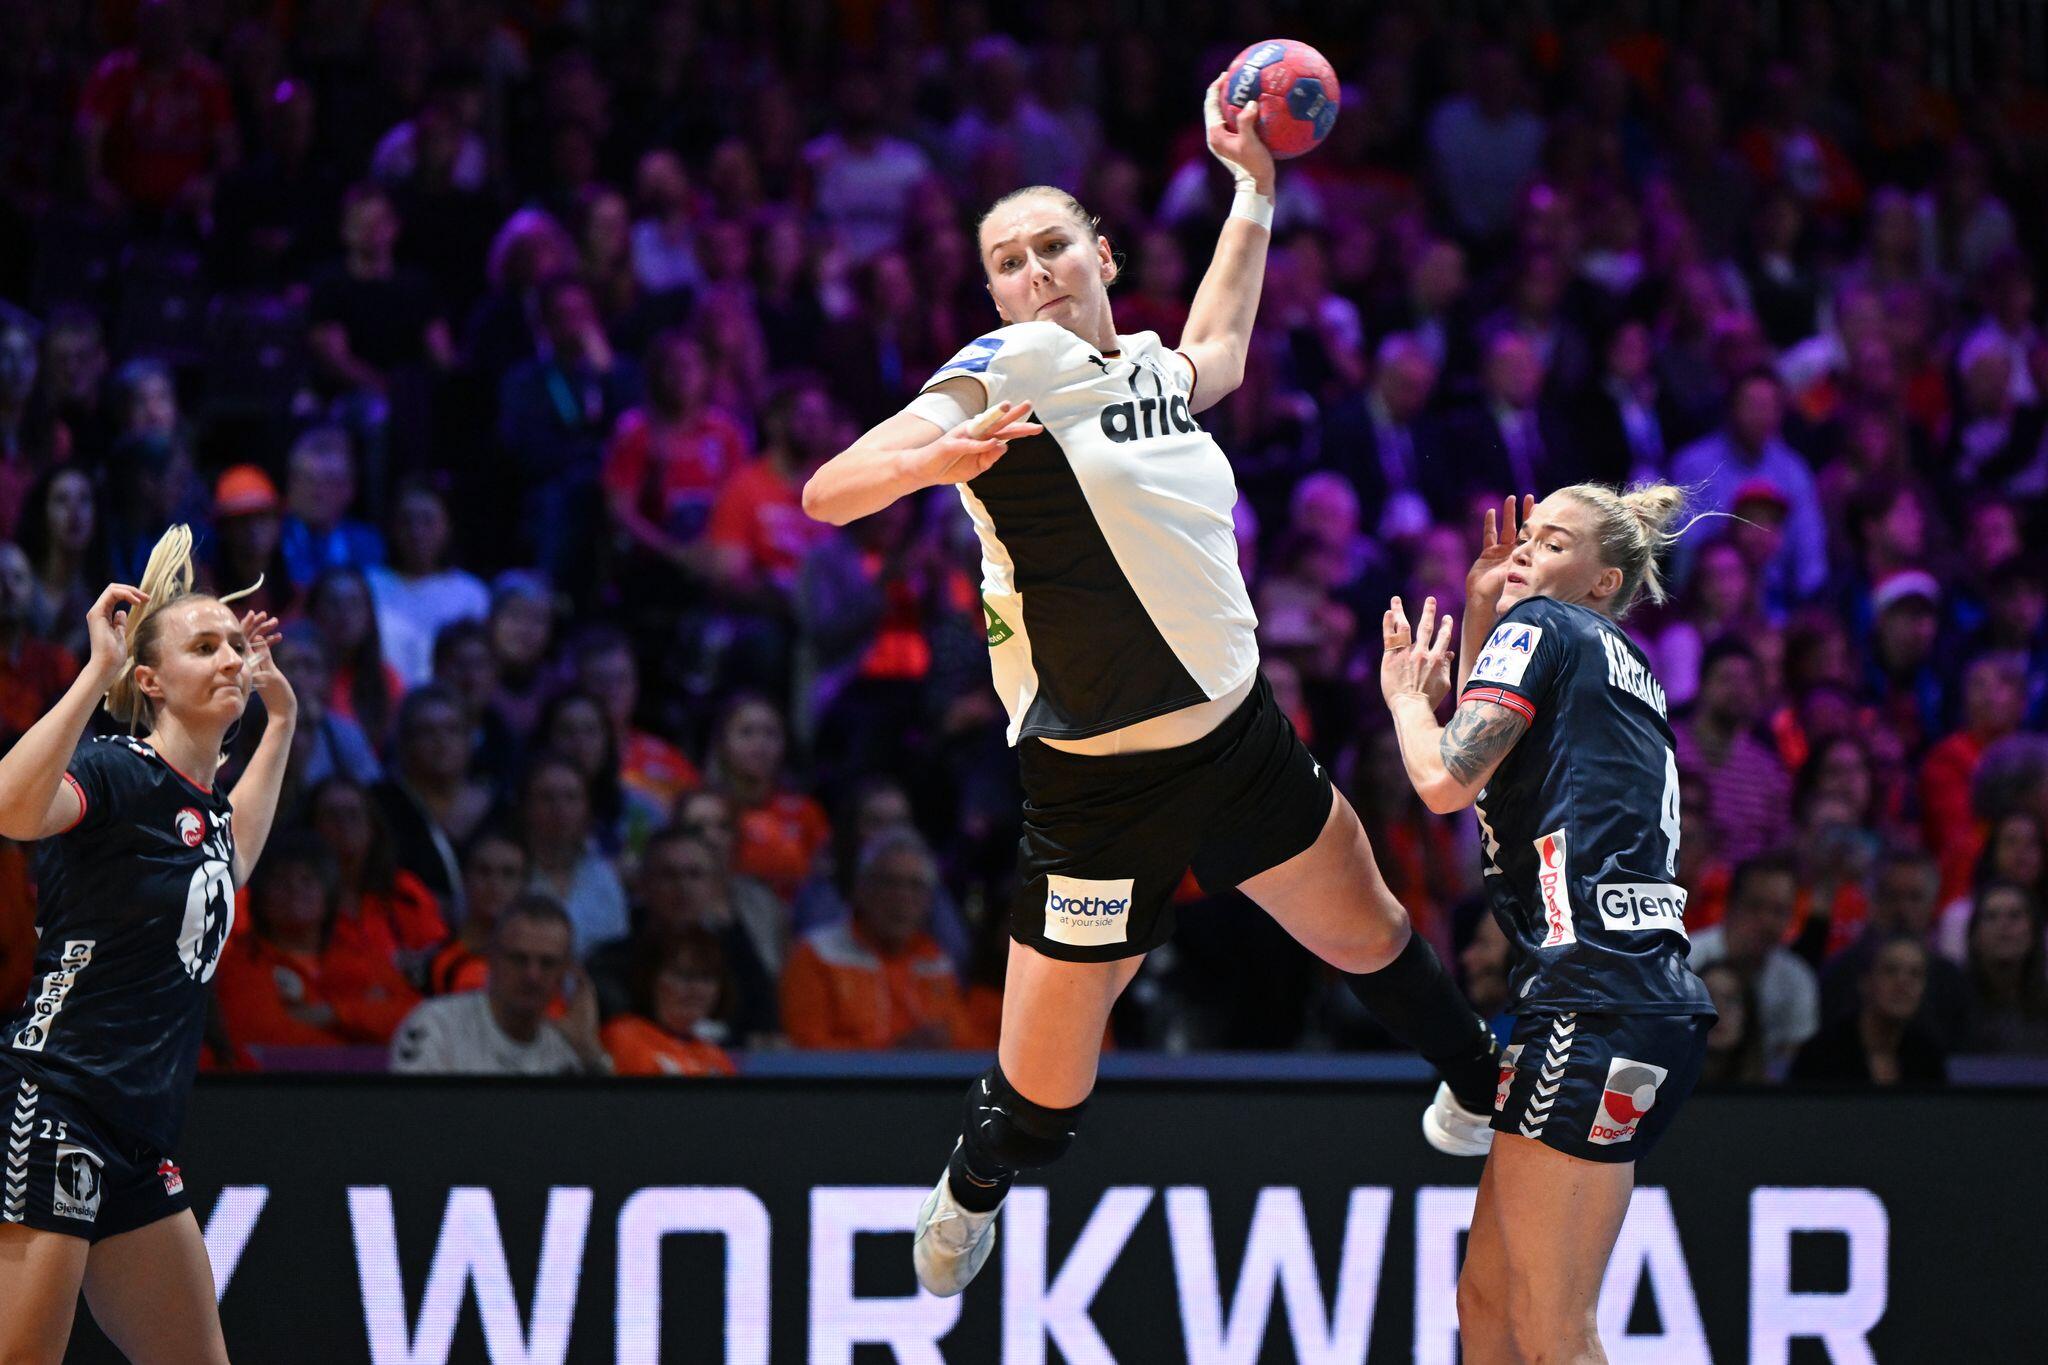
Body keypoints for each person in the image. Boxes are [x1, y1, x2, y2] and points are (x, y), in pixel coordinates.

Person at [803, 80, 1500, 1299]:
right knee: (1042, 1099)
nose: (1034, 272)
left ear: (1101, 255)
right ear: (994, 297)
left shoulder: (1143, 371)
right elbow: (828, 492)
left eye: (1052, 246)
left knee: (1377, 937)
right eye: (1007, 261)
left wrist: (1253, 193)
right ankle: (973, 1183)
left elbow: (1216, 348)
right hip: (1094, 794)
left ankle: (1479, 1086)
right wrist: (933, 458)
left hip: (1237, 745)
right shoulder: (1012, 362)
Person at [1376, 485, 1716, 1364]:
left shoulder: (1546, 629)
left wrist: (1409, 699)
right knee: (1487, 1303)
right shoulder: (1616, 659)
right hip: (1615, 995)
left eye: (1553, 543)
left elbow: (1448, 780)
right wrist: (1482, 605)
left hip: (1592, 997)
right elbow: (1500, 759)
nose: (1525, 549)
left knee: (1555, 1333)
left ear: (1604, 581)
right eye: (1526, 533)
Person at [0, 524, 293, 1362]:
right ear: (151, 680)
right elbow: (12, 808)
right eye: (205, 647)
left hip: (140, 1138)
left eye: (236, 643)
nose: (232, 657)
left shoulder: (203, 812)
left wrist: (282, 719)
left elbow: (234, 858)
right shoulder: (119, 767)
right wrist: (97, 671)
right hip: (56, 1102)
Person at [780, 830, 965, 1050]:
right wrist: (894, 1054)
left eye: (915, 885)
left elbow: (964, 1043)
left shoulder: (937, 963)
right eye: (890, 883)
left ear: (929, 901)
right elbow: (805, 1048)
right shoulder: (817, 955)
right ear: (861, 890)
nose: (903, 897)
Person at [389, 896, 607, 1075]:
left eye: (547, 963)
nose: (532, 975)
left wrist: (590, 1053)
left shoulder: (570, 1049)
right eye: (518, 959)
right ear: (491, 959)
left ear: (566, 971)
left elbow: (603, 1114)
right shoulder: (436, 1025)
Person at [1689, 853, 1821, 1065]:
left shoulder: (1797, 979)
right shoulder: (1683, 959)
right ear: (1730, 906)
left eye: (1779, 911)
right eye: (1755, 906)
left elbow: (1791, 1062)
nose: (1767, 921)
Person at [1789, 935, 1948, 1085]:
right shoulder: (1821, 1054)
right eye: (1890, 971)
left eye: (1916, 974)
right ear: (1865, 982)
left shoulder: (1927, 1057)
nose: (1903, 983)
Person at [599, 928, 739, 1076]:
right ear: (652, 978)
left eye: (707, 978)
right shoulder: (623, 1036)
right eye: (684, 975)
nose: (697, 989)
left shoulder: (718, 1058)